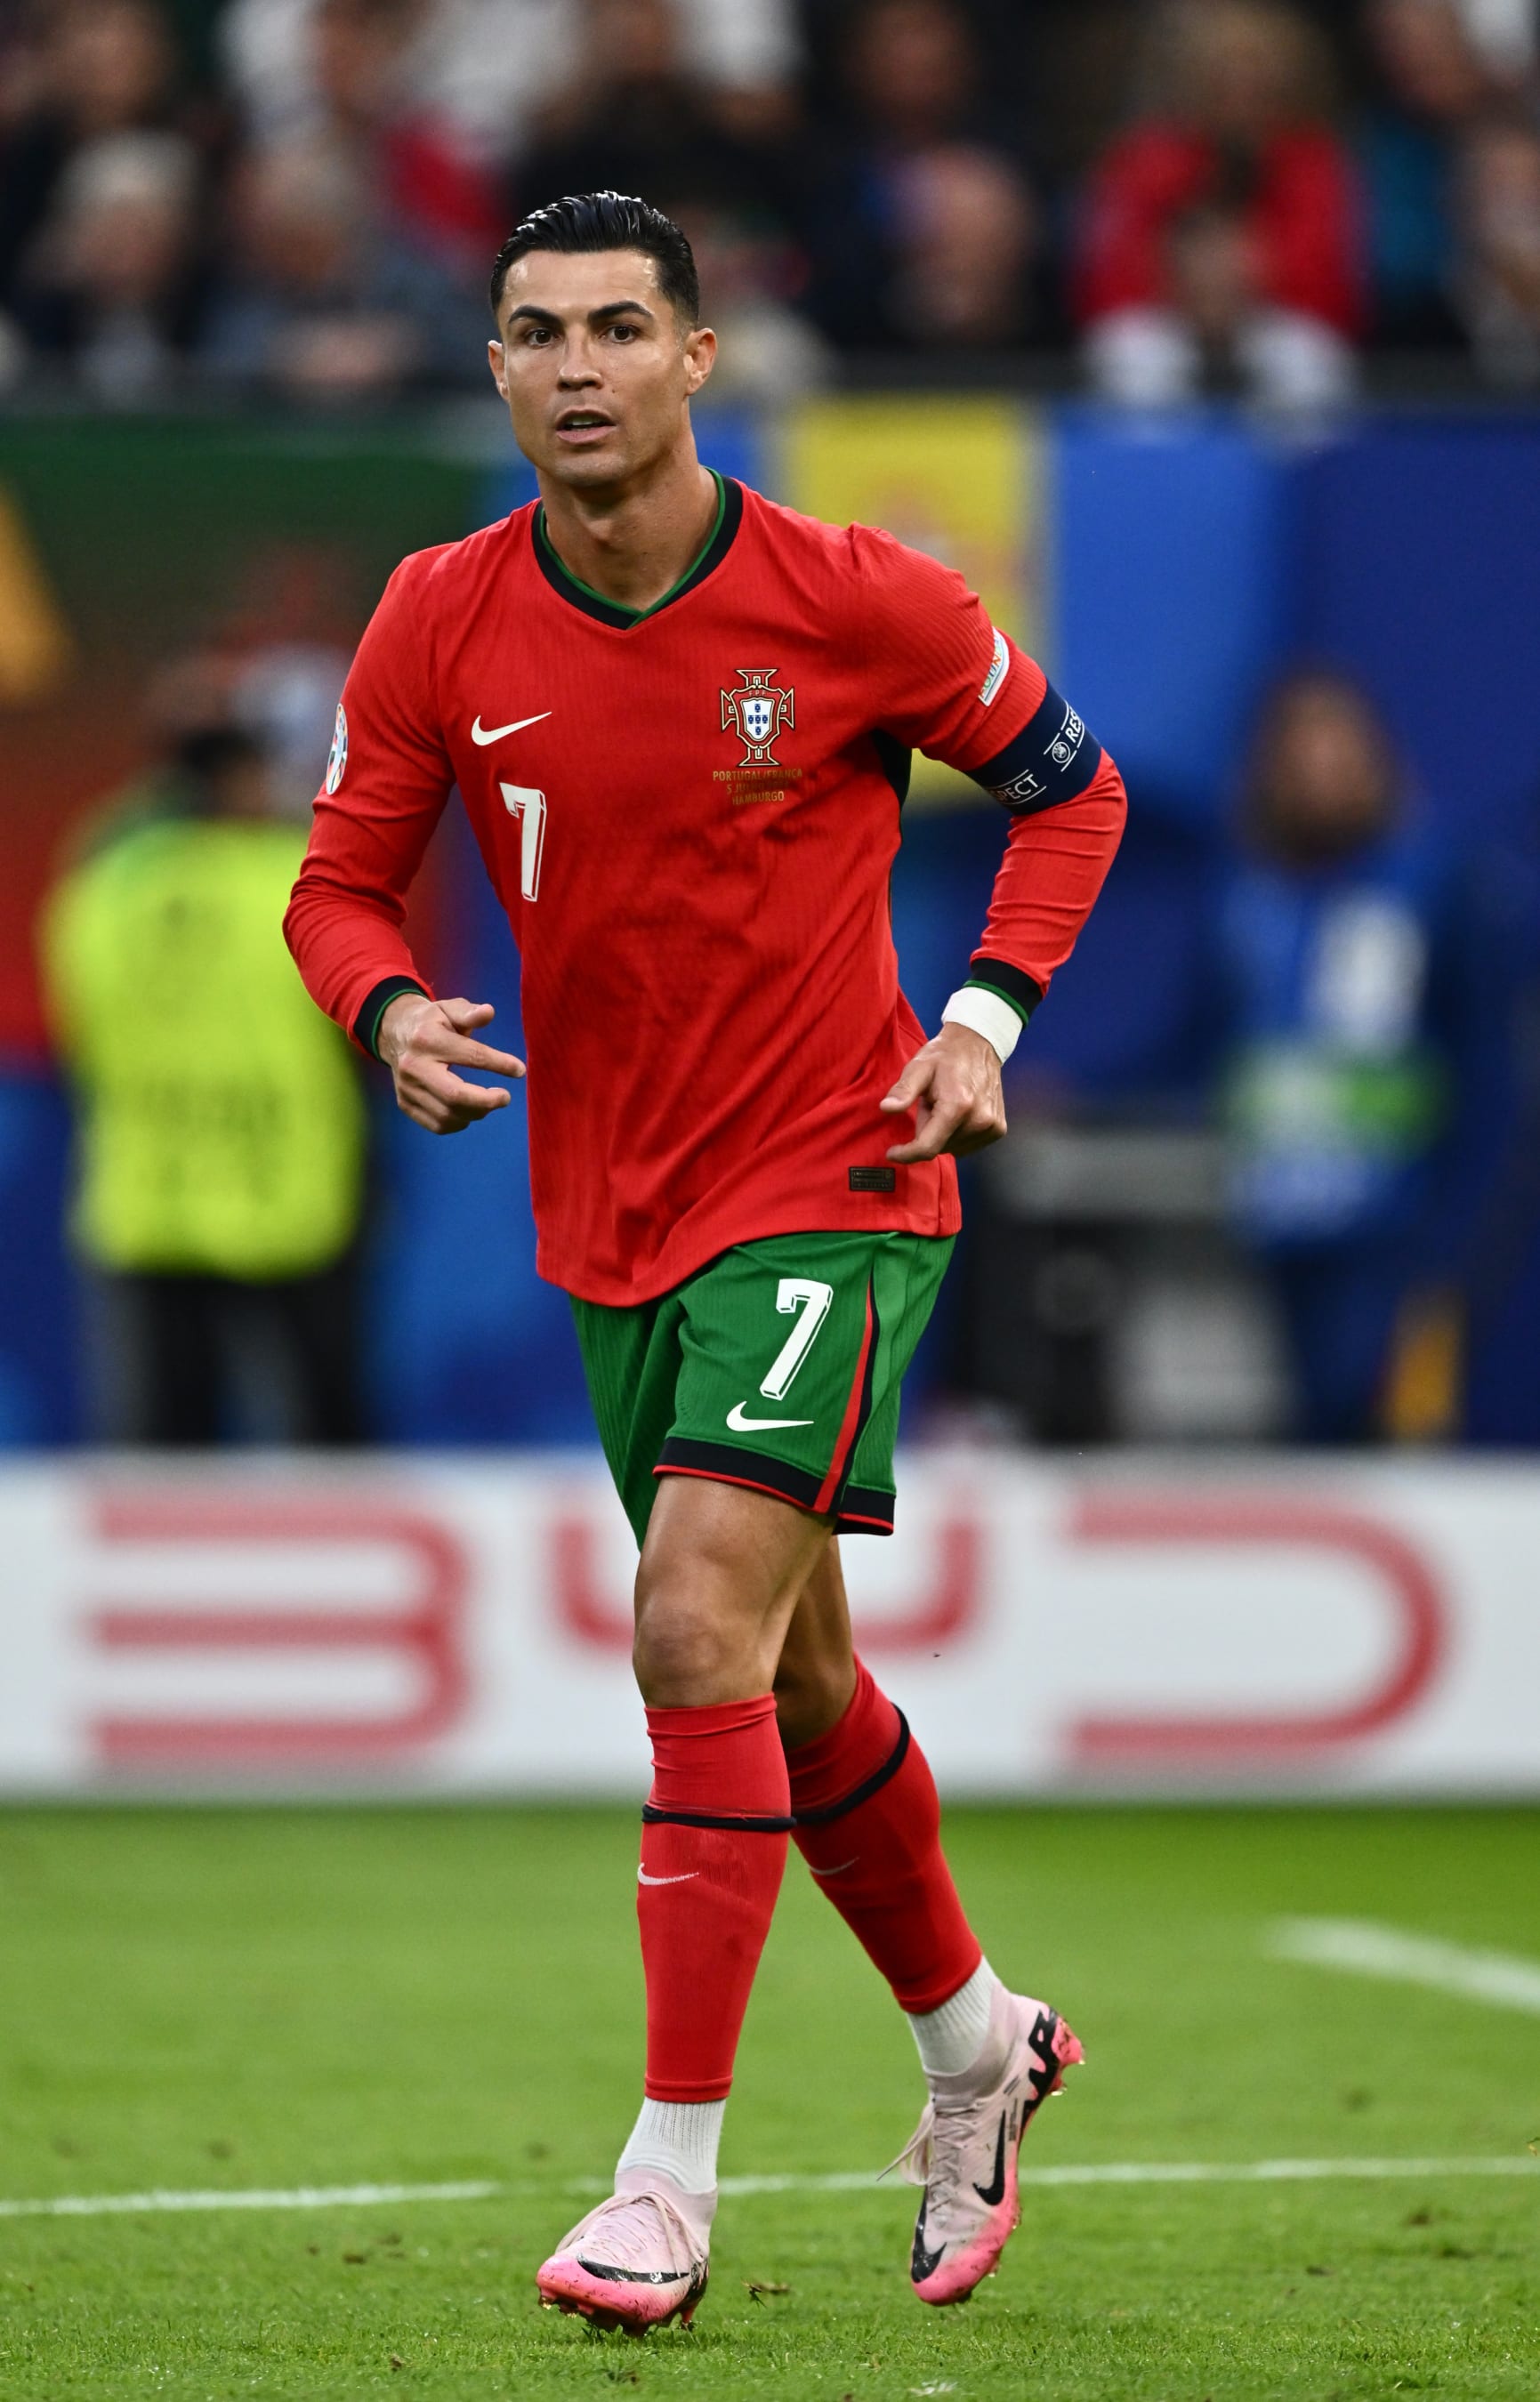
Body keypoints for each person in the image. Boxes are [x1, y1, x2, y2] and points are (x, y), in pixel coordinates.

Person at [285, 190, 1125, 2329]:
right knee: (793, 1676)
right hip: (614, 1209)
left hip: (839, 1175)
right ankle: (978, 2044)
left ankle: (667, 2176)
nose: (576, 364)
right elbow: (340, 886)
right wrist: (382, 1007)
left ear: (698, 359)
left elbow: (1072, 791)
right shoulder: (436, 617)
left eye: (618, 327)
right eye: (535, 329)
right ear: (492, 368)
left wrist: (982, 1017)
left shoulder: (851, 597)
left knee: (684, 1625)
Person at [43, 689, 367, 1443]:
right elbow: (363, 1026)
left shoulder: (99, 889)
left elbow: (78, 1036)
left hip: (151, 1199)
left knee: (162, 1456)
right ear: (240, 781)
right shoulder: (301, 880)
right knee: (331, 1451)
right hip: (292, 1195)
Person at [1213, 669, 1463, 1442]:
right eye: (1299, 751)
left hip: (1391, 1226)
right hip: (1277, 1218)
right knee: (1300, 1425)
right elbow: (1200, 1042)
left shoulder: (1433, 886)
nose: (1319, 769)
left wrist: (1451, 1223)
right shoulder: (1245, 898)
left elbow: (1478, 1057)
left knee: (1375, 1416)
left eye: (1337, 748)